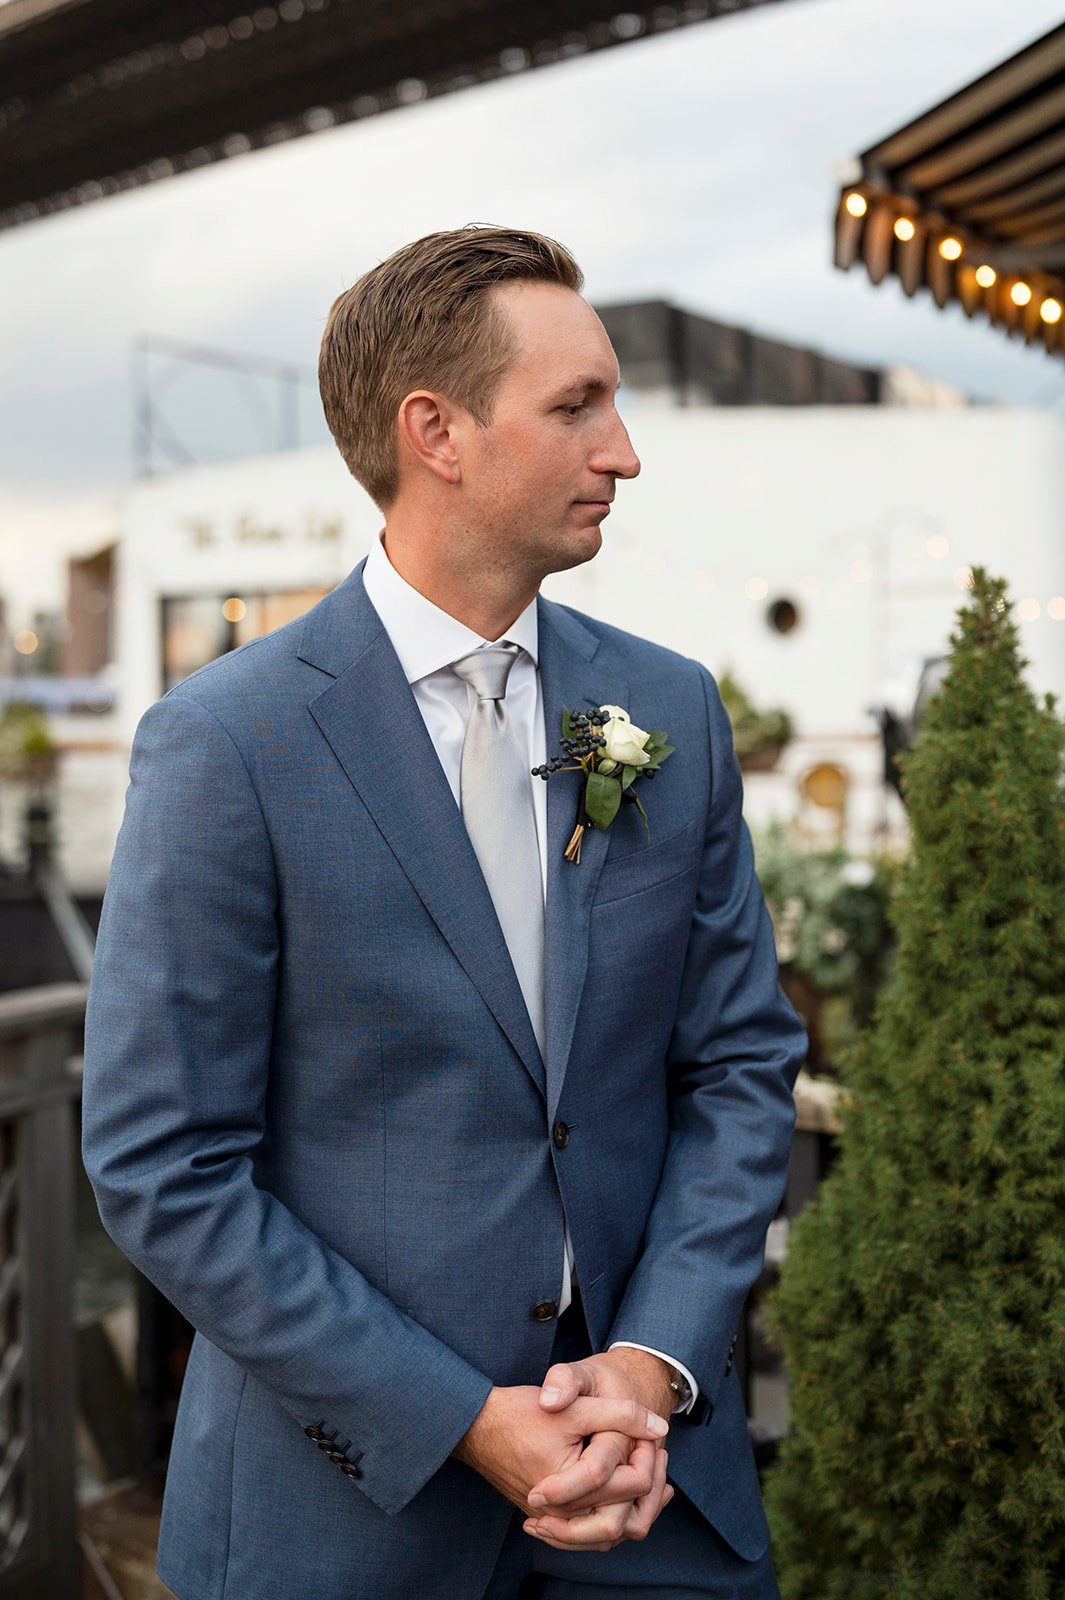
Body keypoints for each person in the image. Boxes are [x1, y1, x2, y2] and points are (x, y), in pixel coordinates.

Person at [82, 226, 807, 1600]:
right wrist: (461, 1421)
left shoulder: (667, 710)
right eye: (576, 405)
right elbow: (160, 1165)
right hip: (341, 1516)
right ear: (437, 432)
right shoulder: (226, 742)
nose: (624, 451)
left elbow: (739, 1066)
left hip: (649, 1499)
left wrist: (650, 1367)